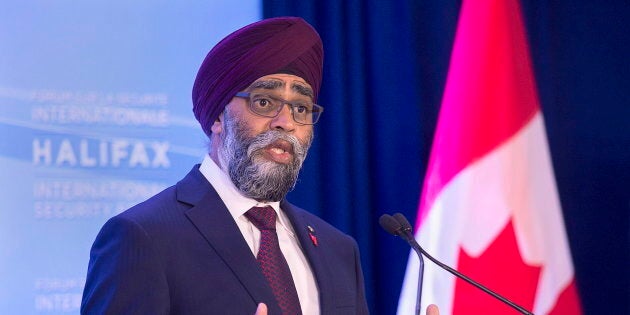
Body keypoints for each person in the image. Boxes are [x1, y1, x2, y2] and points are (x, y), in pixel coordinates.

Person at [80, 17, 368, 315]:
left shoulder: (339, 250)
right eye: (265, 102)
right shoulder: (143, 236)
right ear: (218, 116)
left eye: (300, 108)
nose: (286, 123)